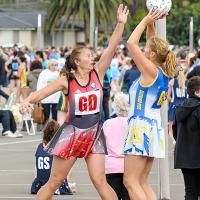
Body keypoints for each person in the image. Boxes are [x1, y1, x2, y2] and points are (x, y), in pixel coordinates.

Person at [19, 4, 128, 200]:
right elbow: (42, 93)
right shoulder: (66, 81)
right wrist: (27, 100)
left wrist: (120, 24)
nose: (92, 57)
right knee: (53, 183)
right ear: (77, 61)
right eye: (88, 55)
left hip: (94, 134)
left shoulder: (98, 73)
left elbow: (112, 47)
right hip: (71, 134)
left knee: (100, 181)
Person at [123, 10, 177, 200]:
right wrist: (150, 24)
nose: (144, 49)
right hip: (153, 127)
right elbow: (152, 42)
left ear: (152, 54)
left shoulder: (150, 70)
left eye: (147, 49)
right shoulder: (161, 72)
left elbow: (131, 43)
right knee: (142, 181)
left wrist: (145, 19)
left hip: (140, 126)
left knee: (130, 181)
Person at [173, 76, 200, 200]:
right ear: (197, 91)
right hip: (197, 156)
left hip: (184, 157)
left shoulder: (180, 108)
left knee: (190, 191)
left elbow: (174, 131)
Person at [31, 120, 72, 195]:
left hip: (39, 184)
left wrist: (37, 179)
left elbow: (36, 168)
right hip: (54, 182)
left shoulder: (39, 146)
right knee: (70, 161)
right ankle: (67, 182)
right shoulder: (59, 147)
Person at [103, 93, 130, 200]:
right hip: (129, 165)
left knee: (114, 196)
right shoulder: (132, 123)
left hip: (111, 165)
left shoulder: (107, 123)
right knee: (128, 195)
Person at [167, 67, 187, 144]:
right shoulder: (186, 82)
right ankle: (182, 139)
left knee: (171, 126)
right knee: (182, 124)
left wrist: (171, 100)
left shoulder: (172, 81)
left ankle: (173, 140)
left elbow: (168, 96)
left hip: (174, 105)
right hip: (185, 106)